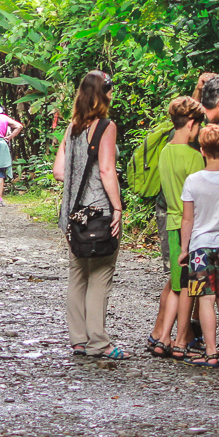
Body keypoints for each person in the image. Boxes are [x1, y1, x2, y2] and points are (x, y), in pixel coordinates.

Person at [53, 70, 130, 360]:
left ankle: (79, 339)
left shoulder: (73, 126)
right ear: (102, 93)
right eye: (109, 88)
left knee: (78, 274)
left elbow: (59, 171)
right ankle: (99, 341)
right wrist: (118, 208)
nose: (112, 92)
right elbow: (107, 169)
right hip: (98, 212)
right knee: (100, 274)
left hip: (72, 214)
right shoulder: (105, 126)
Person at [175, 124, 219, 367]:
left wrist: (184, 249)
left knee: (205, 298)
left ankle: (211, 352)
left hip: (199, 248)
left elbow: (187, 219)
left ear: (202, 150)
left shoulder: (193, 181)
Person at [146, 97, 206, 359]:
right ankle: (181, 341)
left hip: (171, 223)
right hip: (190, 228)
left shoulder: (165, 151)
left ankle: (164, 336)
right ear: (192, 123)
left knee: (175, 283)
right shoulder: (193, 157)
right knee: (189, 287)